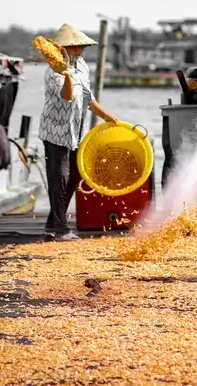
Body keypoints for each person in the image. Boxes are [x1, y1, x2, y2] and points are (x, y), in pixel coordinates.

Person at [39, 23, 119, 240]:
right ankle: (60, 229)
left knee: (74, 175)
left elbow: (86, 98)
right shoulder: (52, 72)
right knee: (59, 178)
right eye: (76, 47)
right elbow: (66, 97)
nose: (80, 50)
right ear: (64, 48)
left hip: (74, 131)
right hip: (54, 131)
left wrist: (107, 116)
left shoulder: (82, 65)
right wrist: (65, 74)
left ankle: (53, 222)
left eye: (81, 46)